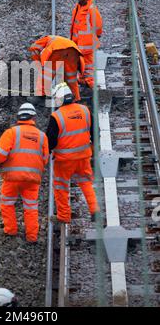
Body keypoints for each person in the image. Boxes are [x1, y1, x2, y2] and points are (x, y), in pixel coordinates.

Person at [0, 103, 49, 243]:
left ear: (19, 117)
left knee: (7, 203)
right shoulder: (42, 136)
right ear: (33, 117)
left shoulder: (11, 133)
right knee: (31, 207)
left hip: (12, 178)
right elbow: (45, 159)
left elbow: (0, 154)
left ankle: (10, 230)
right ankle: (32, 236)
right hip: (32, 179)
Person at [46, 82, 99, 223]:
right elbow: (95, 132)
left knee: (61, 187)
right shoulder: (85, 110)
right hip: (83, 157)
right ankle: (95, 210)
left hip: (64, 161)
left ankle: (64, 216)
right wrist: (92, 149)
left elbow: (50, 141)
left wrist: (45, 156)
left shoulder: (56, 117)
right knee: (86, 183)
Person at [28, 35, 85, 103]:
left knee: (47, 74)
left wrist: (39, 64)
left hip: (57, 49)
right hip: (73, 50)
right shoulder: (56, 38)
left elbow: (33, 48)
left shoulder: (43, 40)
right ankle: (76, 98)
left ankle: (40, 96)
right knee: (71, 78)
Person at [70, 0, 103, 90]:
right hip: (78, 43)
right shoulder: (78, 7)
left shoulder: (91, 9)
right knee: (81, 63)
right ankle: (83, 79)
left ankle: (90, 83)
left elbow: (98, 25)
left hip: (87, 44)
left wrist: (96, 36)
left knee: (88, 65)